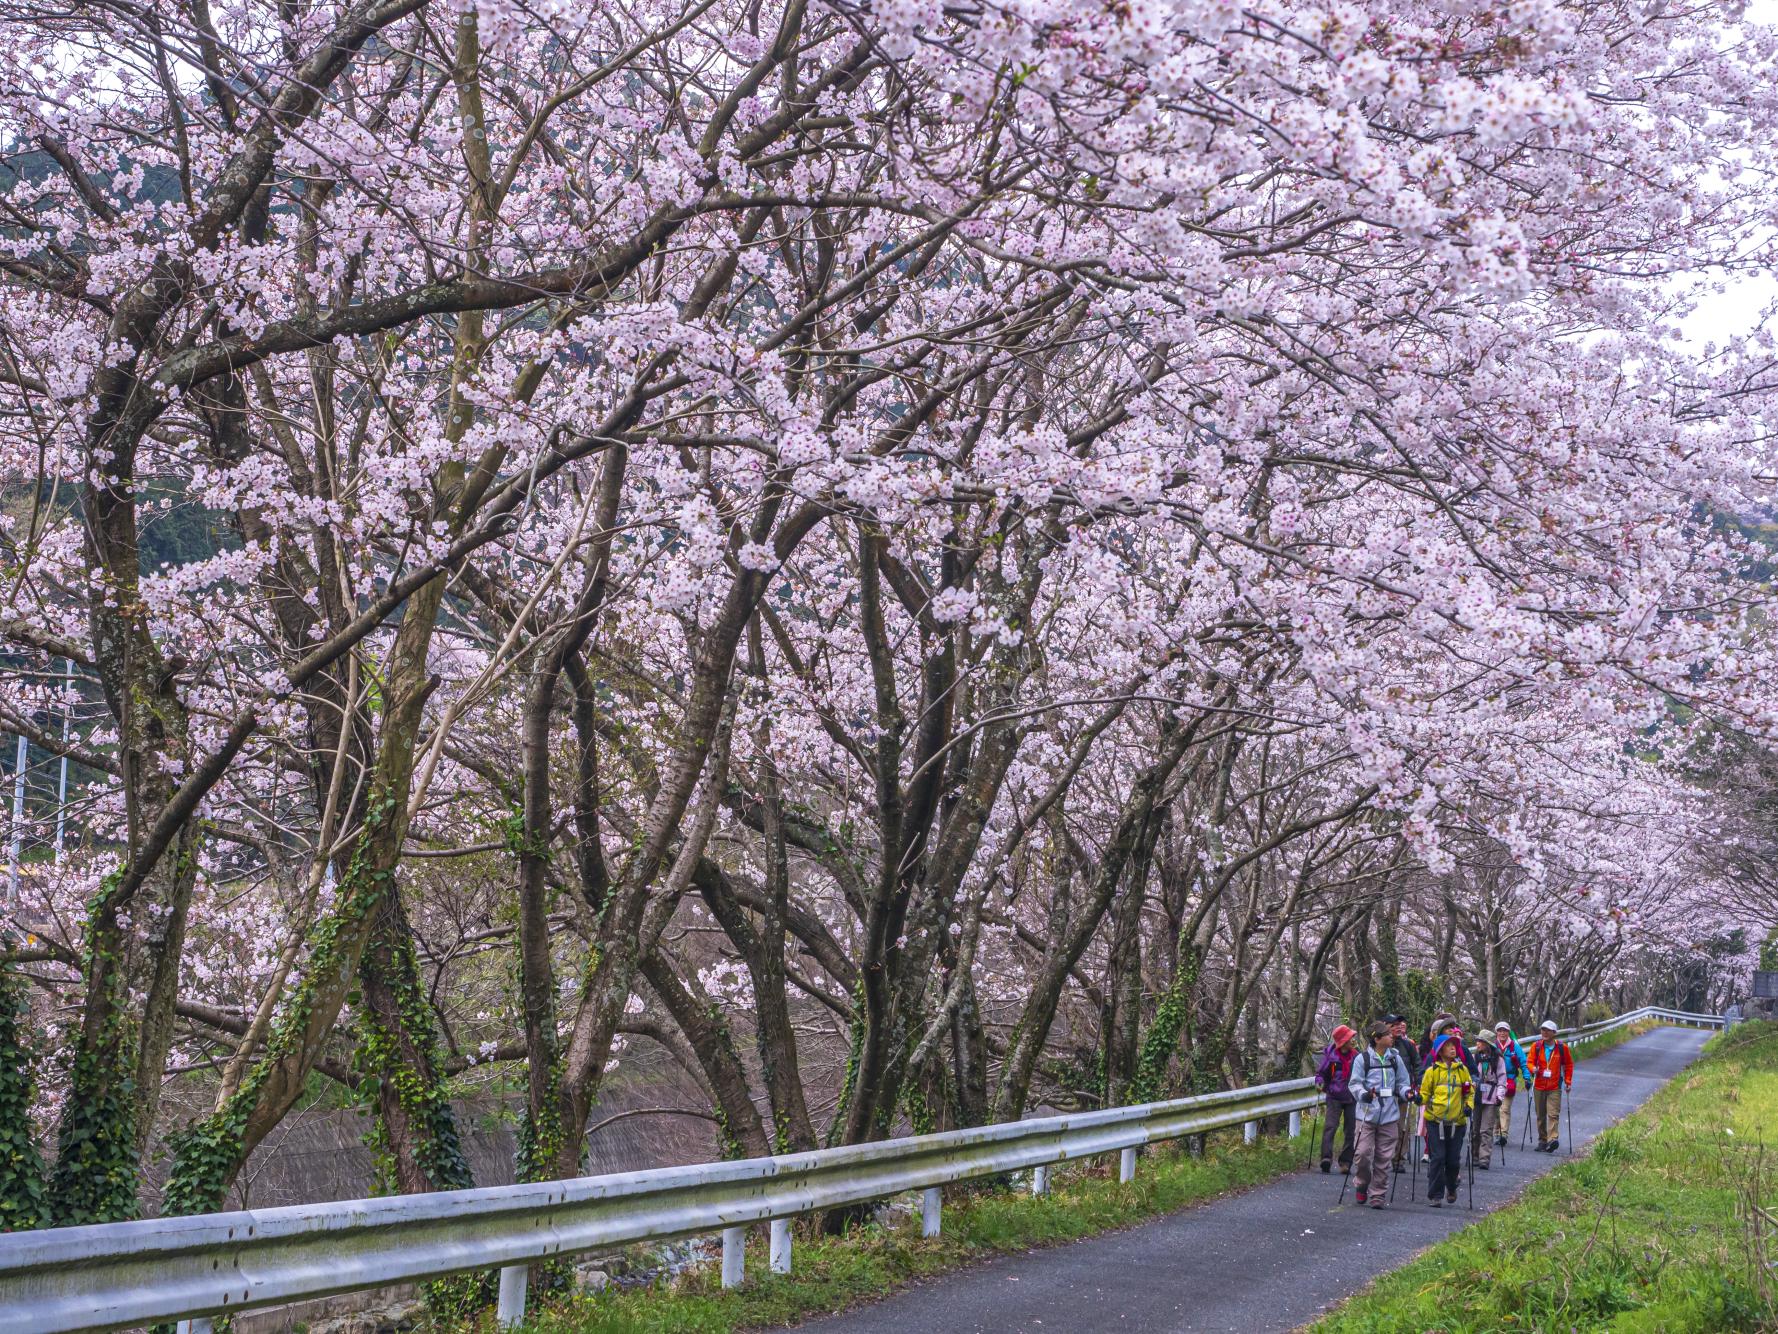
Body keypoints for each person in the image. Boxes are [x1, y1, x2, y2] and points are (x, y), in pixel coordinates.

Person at [1351, 1020, 1414, 1209]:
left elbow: (1402, 1083)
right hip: (1366, 1115)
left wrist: (1407, 1093)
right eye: (1387, 1034)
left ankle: (1378, 1194)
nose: (1391, 1036)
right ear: (1377, 1039)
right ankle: (1362, 1184)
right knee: (1362, 1154)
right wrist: (1364, 1095)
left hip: (1389, 1115)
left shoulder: (1395, 1059)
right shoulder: (1363, 1059)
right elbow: (1354, 1084)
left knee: (1384, 1158)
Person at [1419, 1032, 1473, 1206]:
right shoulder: (1432, 1071)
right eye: (1449, 1046)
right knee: (1438, 1158)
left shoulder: (1462, 1070)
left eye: (1454, 1046)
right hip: (1435, 1121)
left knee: (1453, 1160)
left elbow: (1470, 1092)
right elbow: (1425, 1093)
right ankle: (1435, 1195)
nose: (1453, 1048)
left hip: (1457, 1122)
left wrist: (1469, 1106)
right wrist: (1419, 1099)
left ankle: (1451, 1187)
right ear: (1440, 1051)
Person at [1315, 1023, 1360, 1173]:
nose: (1353, 1040)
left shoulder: (1356, 1056)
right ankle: (1326, 1158)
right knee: (1330, 1127)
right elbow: (1321, 1074)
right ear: (1343, 1041)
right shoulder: (1331, 1057)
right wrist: (1320, 1083)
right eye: (1350, 1038)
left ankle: (1346, 1162)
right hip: (1334, 1095)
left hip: (1352, 1096)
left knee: (1351, 1129)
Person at [1529, 1019, 1574, 1152]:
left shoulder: (1562, 1048)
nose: (1544, 1032)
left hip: (1555, 1086)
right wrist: (1533, 1069)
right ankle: (1542, 1140)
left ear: (1554, 1033)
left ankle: (1552, 1139)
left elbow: (1569, 1065)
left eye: (1548, 1030)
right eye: (1543, 1030)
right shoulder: (1536, 1046)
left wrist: (1568, 1081)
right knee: (1540, 1115)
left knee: (1553, 1114)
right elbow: (1529, 1061)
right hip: (1539, 1085)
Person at [1384, 1015, 1421, 1172]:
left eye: (1400, 1024)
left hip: (1403, 1093)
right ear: (1385, 1026)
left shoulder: (1407, 1045)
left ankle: (1398, 1159)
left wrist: (1418, 1084)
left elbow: (1417, 1065)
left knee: (1402, 1127)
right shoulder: (1378, 1046)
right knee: (1384, 1128)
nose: (1399, 1027)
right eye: (1394, 1025)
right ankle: (1383, 1157)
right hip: (1382, 1095)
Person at [1471, 1029, 1507, 1169]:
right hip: (1476, 1098)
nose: (1477, 1043)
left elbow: (1502, 1080)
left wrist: (1499, 1096)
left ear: (1487, 1044)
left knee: (1486, 1130)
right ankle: (1474, 1155)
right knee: (1475, 1130)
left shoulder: (1498, 1059)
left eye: (1480, 1041)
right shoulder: (1475, 1058)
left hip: (1491, 1099)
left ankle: (1484, 1159)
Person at [1492, 1020, 1528, 1148]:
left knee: (1504, 1108)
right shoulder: (1492, 1046)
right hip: (1493, 1081)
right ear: (1496, 1032)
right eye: (1500, 1030)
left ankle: (1504, 1135)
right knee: (1496, 1109)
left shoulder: (1514, 1046)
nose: (1502, 1033)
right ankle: (1496, 1133)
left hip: (1509, 1081)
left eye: (1505, 1030)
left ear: (1508, 1032)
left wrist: (1527, 1078)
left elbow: (1523, 1062)